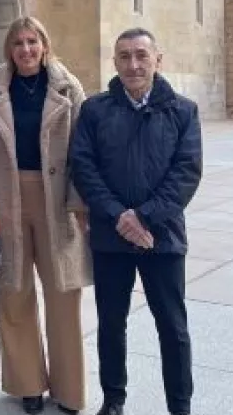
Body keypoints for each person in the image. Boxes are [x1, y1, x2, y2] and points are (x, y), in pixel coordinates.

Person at [67, 28, 202, 415]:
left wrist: (142, 217)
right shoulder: (95, 110)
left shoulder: (183, 111)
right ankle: (113, 399)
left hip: (162, 237)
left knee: (172, 327)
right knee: (111, 323)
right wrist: (117, 216)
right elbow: (84, 167)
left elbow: (186, 173)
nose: (133, 64)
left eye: (141, 55)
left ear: (158, 60)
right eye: (124, 56)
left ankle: (180, 405)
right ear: (115, 62)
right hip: (111, 238)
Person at [0, 17, 91, 415]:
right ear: (9, 49)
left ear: (45, 46)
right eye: (18, 43)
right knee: (14, 291)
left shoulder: (68, 87)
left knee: (63, 292)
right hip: (7, 196)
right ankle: (27, 381)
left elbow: (83, 150)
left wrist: (80, 203)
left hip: (57, 197)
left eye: (32, 42)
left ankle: (69, 388)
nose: (26, 50)